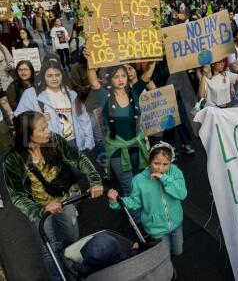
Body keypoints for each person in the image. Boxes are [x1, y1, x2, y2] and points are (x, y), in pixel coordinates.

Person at [3, 111, 103, 281]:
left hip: (64, 200)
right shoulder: (13, 160)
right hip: (39, 209)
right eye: (42, 129)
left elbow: (78, 159)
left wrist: (95, 180)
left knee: (72, 241)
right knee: (49, 249)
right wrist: (39, 209)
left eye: (47, 127)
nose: (48, 131)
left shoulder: (53, 141)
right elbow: (17, 196)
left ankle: (75, 274)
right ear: (27, 134)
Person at [107, 141, 186, 279]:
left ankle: (168, 265)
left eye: (165, 164)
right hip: (156, 227)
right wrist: (115, 201)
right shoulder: (138, 180)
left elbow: (182, 194)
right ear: (149, 160)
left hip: (176, 222)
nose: (160, 168)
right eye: (156, 163)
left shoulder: (175, 172)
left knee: (178, 251)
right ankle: (167, 271)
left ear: (170, 163)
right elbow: (134, 202)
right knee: (163, 256)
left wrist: (164, 178)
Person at [87, 60, 155, 198]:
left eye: (123, 76)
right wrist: (90, 59)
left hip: (137, 147)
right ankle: (134, 218)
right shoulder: (105, 96)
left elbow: (147, 74)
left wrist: (154, 56)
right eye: (116, 77)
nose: (120, 80)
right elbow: (93, 81)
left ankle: (141, 212)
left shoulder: (134, 91)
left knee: (139, 183)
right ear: (110, 79)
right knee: (129, 188)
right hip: (117, 152)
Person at [15, 59, 94, 151]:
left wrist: (88, 143)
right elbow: (18, 118)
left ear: (62, 76)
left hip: (74, 141)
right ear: (43, 77)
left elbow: (84, 119)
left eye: (57, 75)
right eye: (49, 76)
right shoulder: (31, 94)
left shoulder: (71, 94)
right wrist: (37, 118)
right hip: (48, 144)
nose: (54, 79)